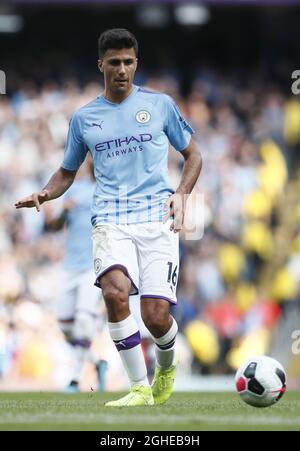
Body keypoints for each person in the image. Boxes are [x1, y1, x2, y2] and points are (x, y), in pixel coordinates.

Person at [15, 28, 202, 406]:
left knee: (155, 316)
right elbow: (67, 172)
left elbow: (194, 156)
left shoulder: (161, 105)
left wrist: (182, 196)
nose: (122, 69)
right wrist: (45, 193)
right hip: (110, 219)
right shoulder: (84, 119)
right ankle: (138, 388)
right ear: (101, 64)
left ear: (136, 64)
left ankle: (167, 363)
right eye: (114, 62)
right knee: (115, 294)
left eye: (128, 62)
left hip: (156, 220)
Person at [44, 157, 107, 392]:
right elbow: (55, 226)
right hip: (71, 264)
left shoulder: (109, 191)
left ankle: (74, 378)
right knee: (64, 324)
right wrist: (61, 212)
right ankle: (96, 363)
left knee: (82, 321)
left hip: (94, 265)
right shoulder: (76, 189)